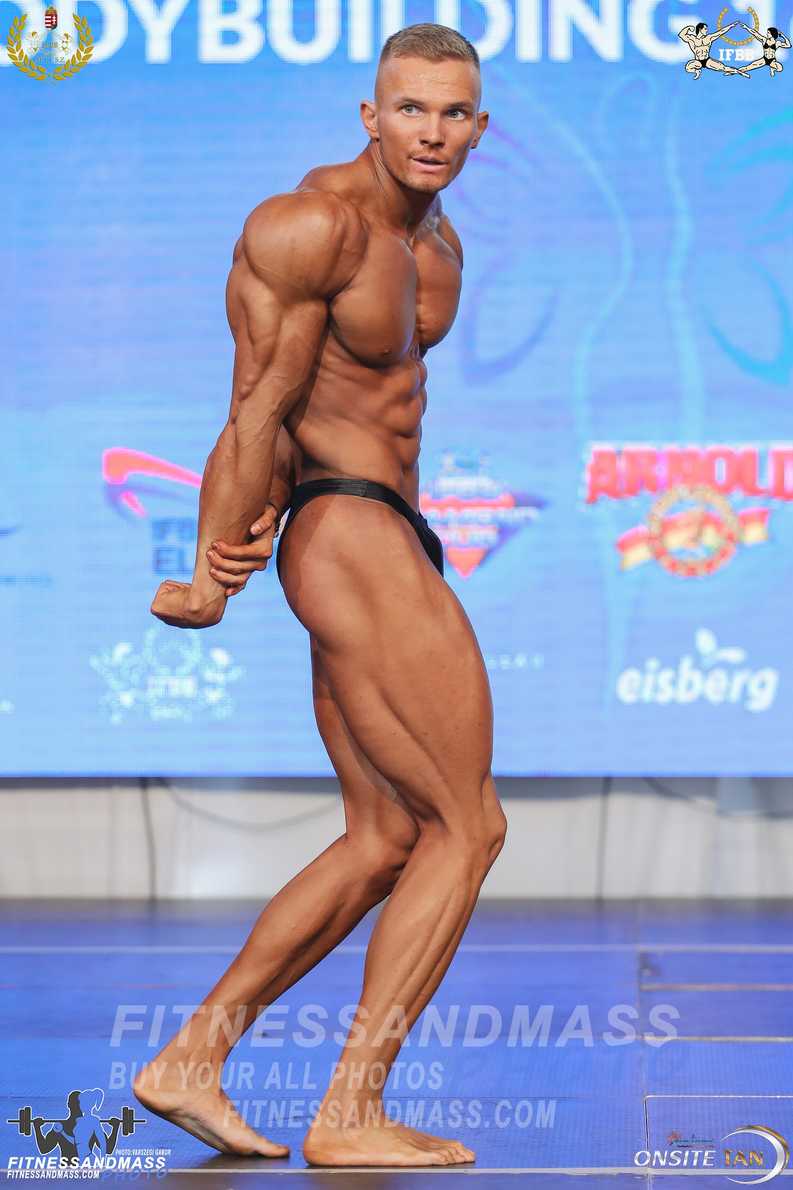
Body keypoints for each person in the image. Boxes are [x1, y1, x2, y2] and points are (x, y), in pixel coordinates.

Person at [138, 22, 507, 1169]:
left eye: (452, 112)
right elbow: (258, 403)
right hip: (346, 527)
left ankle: (191, 1058)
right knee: (469, 824)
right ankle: (350, 1107)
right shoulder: (313, 225)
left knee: (387, 834)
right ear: (370, 115)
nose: (431, 131)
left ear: (479, 126)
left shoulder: (435, 238)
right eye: (411, 108)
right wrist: (210, 569)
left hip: (385, 524)